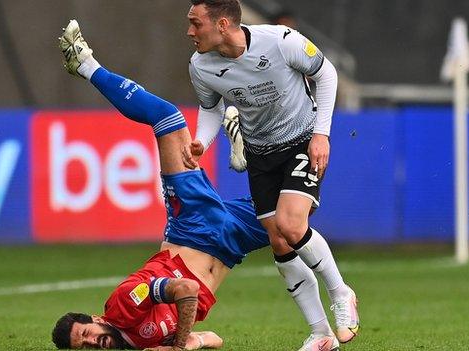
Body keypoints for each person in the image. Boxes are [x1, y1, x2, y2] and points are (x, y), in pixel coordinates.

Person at [53, 19, 275, 350]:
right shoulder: (141, 345)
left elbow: (186, 289)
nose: (92, 344)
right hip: (231, 244)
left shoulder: (123, 305)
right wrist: (190, 342)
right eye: (82, 348)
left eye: (86, 335)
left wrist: (178, 345)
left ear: (96, 320)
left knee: (167, 119)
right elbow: (214, 339)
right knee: (297, 213)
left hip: (194, 228)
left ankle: (85, 64)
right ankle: (251, 154)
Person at [183, 0, 359, 349]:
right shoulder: (201, 66)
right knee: (278, 239)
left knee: (292, 225)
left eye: (195, 23)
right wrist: (201, 142)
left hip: (302, 142)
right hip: (260, 154)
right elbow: (210, 109)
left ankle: (341, 292)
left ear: (221, 24)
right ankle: (322, 334)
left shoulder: (281, 41)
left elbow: (326, 74)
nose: (189, 32)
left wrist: (321, 134)